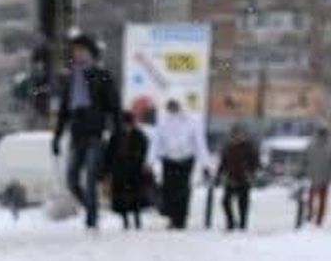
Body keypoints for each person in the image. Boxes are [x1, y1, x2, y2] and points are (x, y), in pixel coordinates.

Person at [51, 33, 121, 231]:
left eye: (82, 51)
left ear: (91, 53)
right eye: (75, 52)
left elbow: (114, 106)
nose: (78, 55)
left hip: (96, 134)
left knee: (91, 176)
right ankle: (91, 209)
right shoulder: (70, 79)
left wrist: (117, 131)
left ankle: (92, 219)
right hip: (77, 135)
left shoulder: (102, 75)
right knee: (72, 179)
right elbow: (63, 111)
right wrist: (57, 137)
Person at [152, 99, 210, 230]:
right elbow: (156, 142)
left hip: (186, 159)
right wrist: (150, 161)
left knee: (182, 191)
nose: (171, 109)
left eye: (174, 106)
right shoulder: (163, 121)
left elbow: (200, 143)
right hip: (168, 159)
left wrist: (205, 163)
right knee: (169, 190)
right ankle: (173, 217)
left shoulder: (192, 121)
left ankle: (181, 219)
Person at [103, 111, 150, 230]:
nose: (127, 127)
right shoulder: (116, 136)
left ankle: (137, 219)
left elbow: (143, 152)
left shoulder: (140, 136)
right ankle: (125, 221)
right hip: (119, 171)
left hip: (135, 171)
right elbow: (109, 154)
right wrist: (107, 170)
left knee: (136, 197)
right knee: (121, 198)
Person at [216, 124, 260, 231]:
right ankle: (230, 222)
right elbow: (223, 162)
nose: (236, 137)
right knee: (225, 202)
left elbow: (255, 162)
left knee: (243, 203)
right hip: (231, 178)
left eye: (239, 134)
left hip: (244, 178)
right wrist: (219, 175)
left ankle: (242, 224)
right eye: (234, 135)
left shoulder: (249, 147)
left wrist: (251, 173)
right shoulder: (228, 147)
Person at [304, 126, 331, 226]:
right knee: (322, 199)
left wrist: (306, 171)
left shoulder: (311, 144)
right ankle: (319, 219)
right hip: (325, 177)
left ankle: (310, 215)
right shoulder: (329, 146)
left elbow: (304, 159)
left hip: (313, 176)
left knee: (311, 197)